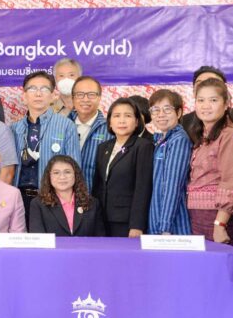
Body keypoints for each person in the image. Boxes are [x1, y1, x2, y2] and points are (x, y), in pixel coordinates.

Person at [12, 71, 81, 225]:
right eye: (32, 89)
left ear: (53, 95)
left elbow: (75, 166)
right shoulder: (15, 128)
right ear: (24, 96)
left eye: (44, 89)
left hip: (53, 198)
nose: (38, 94)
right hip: (19, 199)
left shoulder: (66, 125)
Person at [93, 98, 153, 237]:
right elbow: (98, 185)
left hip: (126, 221)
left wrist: (137, 225)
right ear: (109, 121)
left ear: (136, 121)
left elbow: (143, 189)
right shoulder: (103, 147)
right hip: (102, 219)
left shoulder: (143, 146)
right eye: (116, 116)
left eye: (128, 116)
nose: (122, 121)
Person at [187, 78, 233, 244]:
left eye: (213, 100)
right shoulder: (202, 137)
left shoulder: (228, 135)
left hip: (217, 217)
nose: (206, 106)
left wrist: (220, 224)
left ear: (226, 104)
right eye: (201, 100)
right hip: (197, 215)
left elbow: (230, 181)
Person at [147, 89, 192, 235]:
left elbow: (173, 185)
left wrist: (165, 226)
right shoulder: (160, 140)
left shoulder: (179, 140)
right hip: (156, 218)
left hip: (172, 226)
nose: (160, 114)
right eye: (155, 110)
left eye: (167, 109)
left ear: (178, 113)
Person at [29, 155, 105, 236]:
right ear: (49, 176)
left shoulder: (92, 203)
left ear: (76, 175)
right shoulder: (38, 204)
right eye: (56, 173)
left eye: (67, 172)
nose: (62, 177)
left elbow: (100, 239)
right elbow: (39, 239)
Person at [68, 76, 112, 192]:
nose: (85, 99)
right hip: (64, 197)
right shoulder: (62, 125)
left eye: (91, 94)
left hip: (96, 197)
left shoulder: (110, 130)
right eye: (80, 94)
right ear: (73, 98)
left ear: (99, 97)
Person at [181, 66, 226, 133]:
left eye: (211, 82)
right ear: (194, 92)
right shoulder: (183, 123)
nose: (204, 87)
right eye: (199, 84)